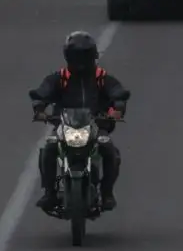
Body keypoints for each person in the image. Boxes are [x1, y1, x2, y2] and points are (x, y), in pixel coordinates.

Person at [30, 31, 130, 212]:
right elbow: (42, 92)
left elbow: (117, 92)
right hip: (64, 126)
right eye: (77, 56)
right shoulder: (59, 78)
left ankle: (107, 193)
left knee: (109, 151)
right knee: (49, 149)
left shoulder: (101, 77)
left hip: (96, 125)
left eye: (84, 55)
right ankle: (49, 192)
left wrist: (117, 108)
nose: (81, 61)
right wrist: (39, 107)